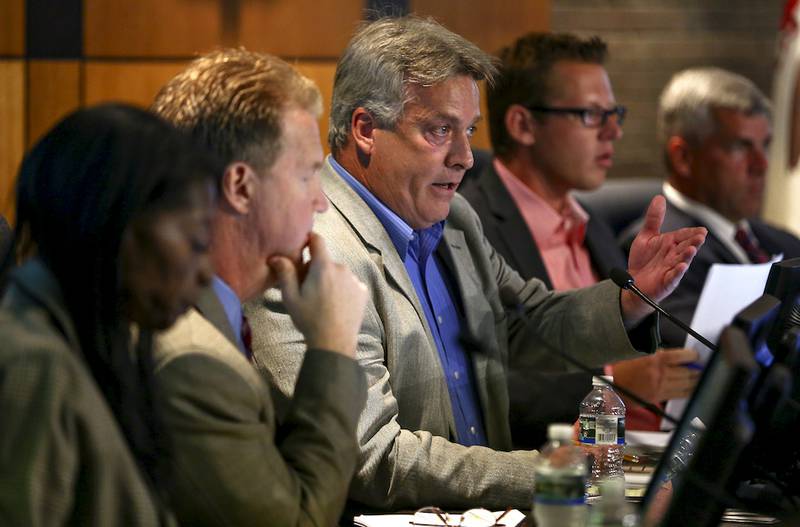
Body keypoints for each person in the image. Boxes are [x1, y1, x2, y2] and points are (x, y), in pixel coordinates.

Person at [246, 16, 706, 511]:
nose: (466, 157)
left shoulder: (455, 219)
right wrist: (551, 472)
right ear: (365, 130)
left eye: (468, 131)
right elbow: (374, 457)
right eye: (440, 130)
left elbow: (525, 324)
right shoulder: (312, 253)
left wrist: (630, 299)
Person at [150, 48, 369, 526]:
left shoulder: (218, 313)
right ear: (241, 187)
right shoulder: (191, 358)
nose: (321, 203)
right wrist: (332, 347)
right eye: (308, 174)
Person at [459, 32, 700, 440]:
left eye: (614, 114)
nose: (612, 132)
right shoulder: (470, 226)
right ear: (523, 124)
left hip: (639, 453)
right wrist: (610, 384)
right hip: (548, 471)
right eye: (590, 115)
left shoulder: (594, 224)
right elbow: (474, 384)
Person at [0, 103, 219, 525]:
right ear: (118, 227)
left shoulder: (93, 339)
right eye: (195, 243)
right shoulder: (32, 363)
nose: (206, 272)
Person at [622, 67, 800, 346]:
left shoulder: (786, 243)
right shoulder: (657, 256)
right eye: (740, 147)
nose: (762, 165)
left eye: (764, 145)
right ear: (683, 157)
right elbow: (710, 357)